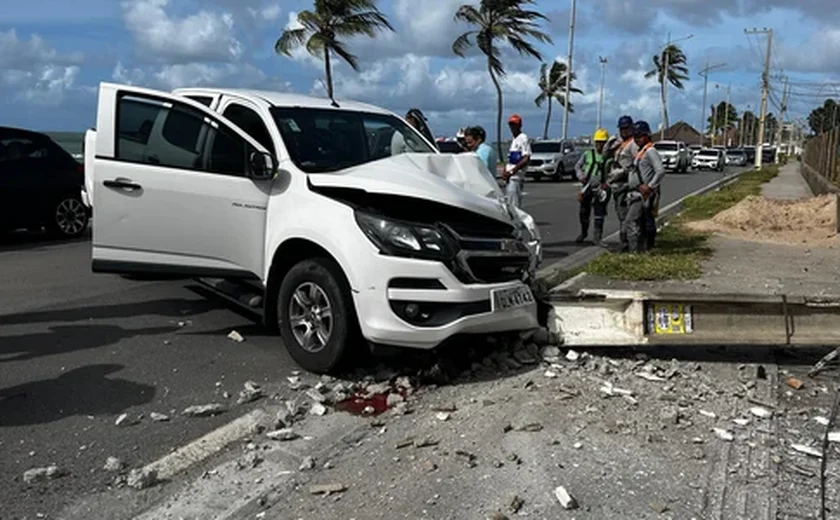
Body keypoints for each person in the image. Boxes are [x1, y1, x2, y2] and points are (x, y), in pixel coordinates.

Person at [624, 120, 666, 253]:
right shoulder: (642, 151)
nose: (637, 139)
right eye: (635, 136)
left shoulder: (650, 151)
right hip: (637, 192)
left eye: (640, 136)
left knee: (631, 221)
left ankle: (634, 251)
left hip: (644, 194)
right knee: (641, 222)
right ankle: (641, 249)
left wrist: (650, 186)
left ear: (647, 136)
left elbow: (660, 171)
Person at [605, 115, 640, 252]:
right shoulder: (619, 143)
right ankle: (625, 244)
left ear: (631, 128)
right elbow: (605, 156)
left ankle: (632, 248)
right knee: (622, 217)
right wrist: (609, 146)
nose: (623, 131)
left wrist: (624, 171)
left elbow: (637, 164)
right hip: (617, 185)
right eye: (622, 129)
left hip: (628, 184)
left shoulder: (633, 144)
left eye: (626, 128)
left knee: (629, 220)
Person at [574, 128, 612, 244]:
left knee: (599, 213)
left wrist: (608, 183)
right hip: (587, 186)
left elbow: (613, 172)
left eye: (602, 143)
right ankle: (584, 232)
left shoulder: (610, 157)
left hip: (602, 188)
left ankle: (597, 237)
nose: (600, 145)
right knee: (584, 212)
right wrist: (581, 176)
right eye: (598, 142)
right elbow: (578, 166)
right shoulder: (588, 154)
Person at [503, 114, 531, 209]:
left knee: (514, 205)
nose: (512, 127)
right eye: (511, 124)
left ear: (519, 125)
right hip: (510, 177)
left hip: (515, 177)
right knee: (509, 202)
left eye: (515, 124)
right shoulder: (514, 140)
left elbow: (526, 158)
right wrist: (505, 171)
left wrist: (512, 171)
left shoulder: (523, 138)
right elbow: (510, 159)